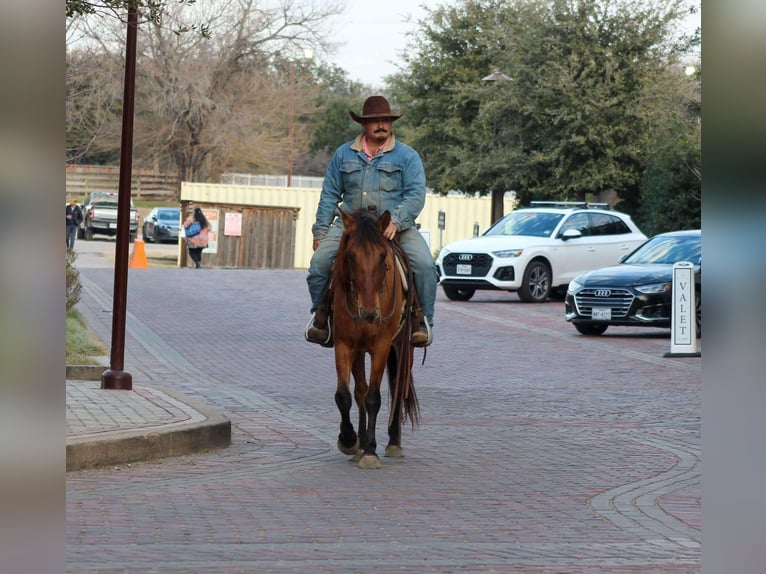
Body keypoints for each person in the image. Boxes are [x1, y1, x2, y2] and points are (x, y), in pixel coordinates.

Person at [305, 95, 437, 347]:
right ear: (364, 124)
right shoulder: (343, 155)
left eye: (385, 120)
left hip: (392, 225)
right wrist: (320, 232)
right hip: (351, 226)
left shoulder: (407, 156)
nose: (381, 125)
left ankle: (422, 322)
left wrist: (397, 220)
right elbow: (330, 195)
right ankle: (322, 318)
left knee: (425, 265)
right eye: (374, 120)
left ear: (391, 123)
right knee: (319, 264)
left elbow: (415, 194)